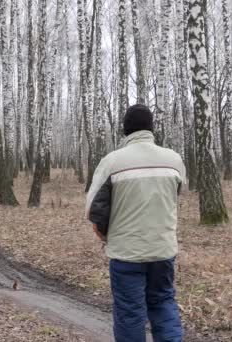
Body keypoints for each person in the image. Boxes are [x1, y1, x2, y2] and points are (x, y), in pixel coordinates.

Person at [86, 104, 185, 342]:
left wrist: (105, 235)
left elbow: (93, 209)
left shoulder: (112, 162)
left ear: (125, 130)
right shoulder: (173, 160)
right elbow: (178, 195)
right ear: (151, 128)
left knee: (130, 312)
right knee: (163, 303)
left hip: (126, 253)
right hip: (163, 251)